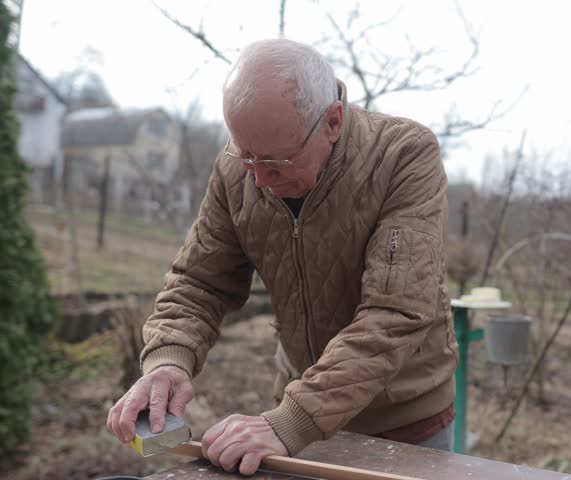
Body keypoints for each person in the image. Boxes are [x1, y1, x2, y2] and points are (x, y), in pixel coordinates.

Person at [106, 38, 458, 476]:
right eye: (246, 156)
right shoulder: (239, 171)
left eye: (277, 161)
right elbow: (199, 282)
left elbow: (396, 312)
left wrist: (293, 419)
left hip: (403, 417)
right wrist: (168, 362)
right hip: (295, 402)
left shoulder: (403, 155)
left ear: (332, 121)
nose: (260, 179)